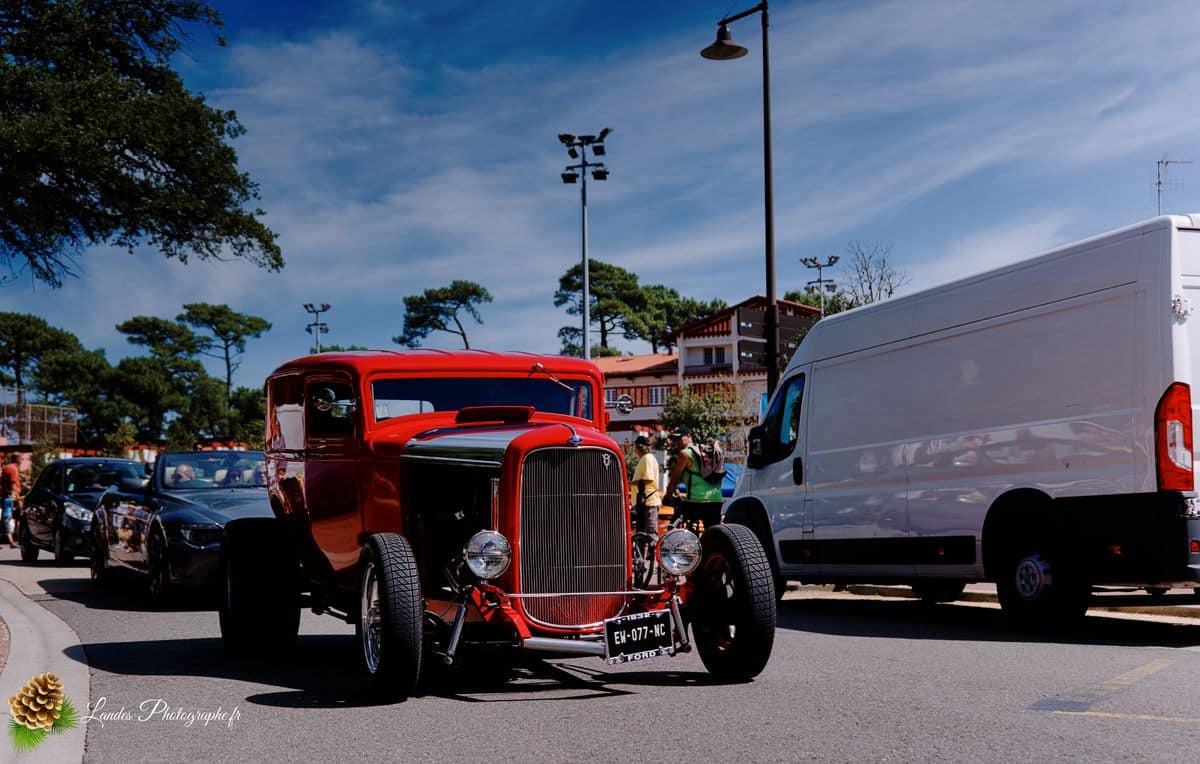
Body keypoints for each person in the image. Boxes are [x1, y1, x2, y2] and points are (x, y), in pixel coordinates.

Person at [665, 426, 723, 532]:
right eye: (675, 439)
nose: (677, 442)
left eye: (679, 438)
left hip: (696, 501)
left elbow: (675, 477)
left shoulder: (685, 454)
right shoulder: (705, 451)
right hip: (716, 499)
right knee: (714, 534)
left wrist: (668, 495)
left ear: (688, 436)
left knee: (683, 529)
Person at [629, 435, 662, 536]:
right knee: (642, 534)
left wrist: (630, 483)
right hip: (643, 502)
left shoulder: (647, 458)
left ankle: (651, 552)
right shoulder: (644, 459)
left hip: (648, 502)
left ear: (639, 447)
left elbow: (648, 479)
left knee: (650, 534)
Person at [1, 455, 21, 548]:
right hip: (10, 496)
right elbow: (13, 484)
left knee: (10, 517)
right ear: (18, 460)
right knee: (7, 518)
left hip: (6, 495)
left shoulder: (6, 467)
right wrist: (17, 498)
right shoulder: (13, 469)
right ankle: (12, 542)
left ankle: (16, 539)